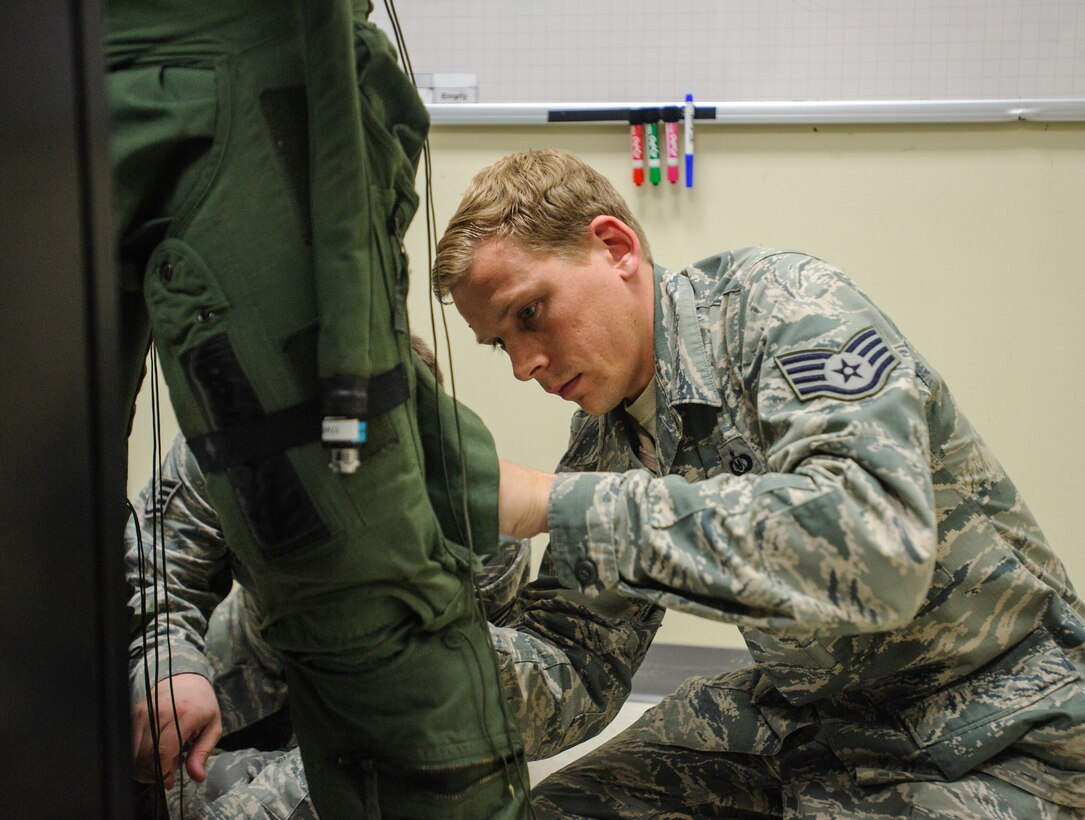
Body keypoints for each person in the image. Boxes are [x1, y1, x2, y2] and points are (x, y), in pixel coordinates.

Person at [432, 148, 1085, 818]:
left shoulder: (785, 304)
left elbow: (877, 548)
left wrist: (550, 504)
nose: (522, 365)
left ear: (614, 246)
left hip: (1004, 725)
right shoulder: (605, 439)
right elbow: (576, 669)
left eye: (530, 314)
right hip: (815, 720)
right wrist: (403, 646)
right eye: (498, 343)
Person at [106, 2, 532, 814]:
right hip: (231, 708)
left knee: (395, 657)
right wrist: (170, 662)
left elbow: (467, 683)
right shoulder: (227, 458)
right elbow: (152, 569)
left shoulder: (467, 528)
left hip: (344, 719)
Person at [127, 337, 663, 819]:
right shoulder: (231, 448)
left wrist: (256, 803)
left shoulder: (483, 539)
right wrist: (169, 663)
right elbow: (161, 568)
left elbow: (425, 731)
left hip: (383, 696)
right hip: (258, 651)